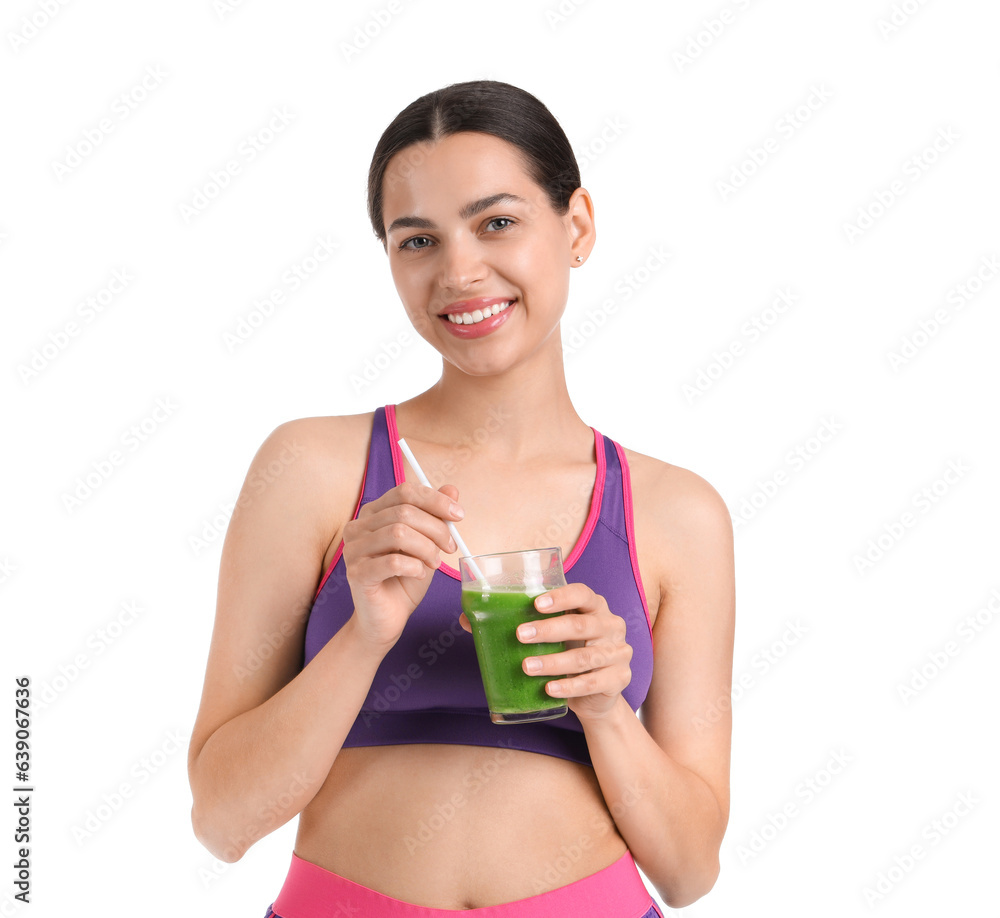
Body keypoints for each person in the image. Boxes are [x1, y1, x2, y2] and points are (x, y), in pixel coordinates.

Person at [187, 79, 735, 917]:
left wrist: (605, 711)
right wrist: (365, 636)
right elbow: (221, 822)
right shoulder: (310, 469)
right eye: (417, 241)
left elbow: (691, 870)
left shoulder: (677, 514)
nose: (459, 271)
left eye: (498, 223)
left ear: (577, 226)